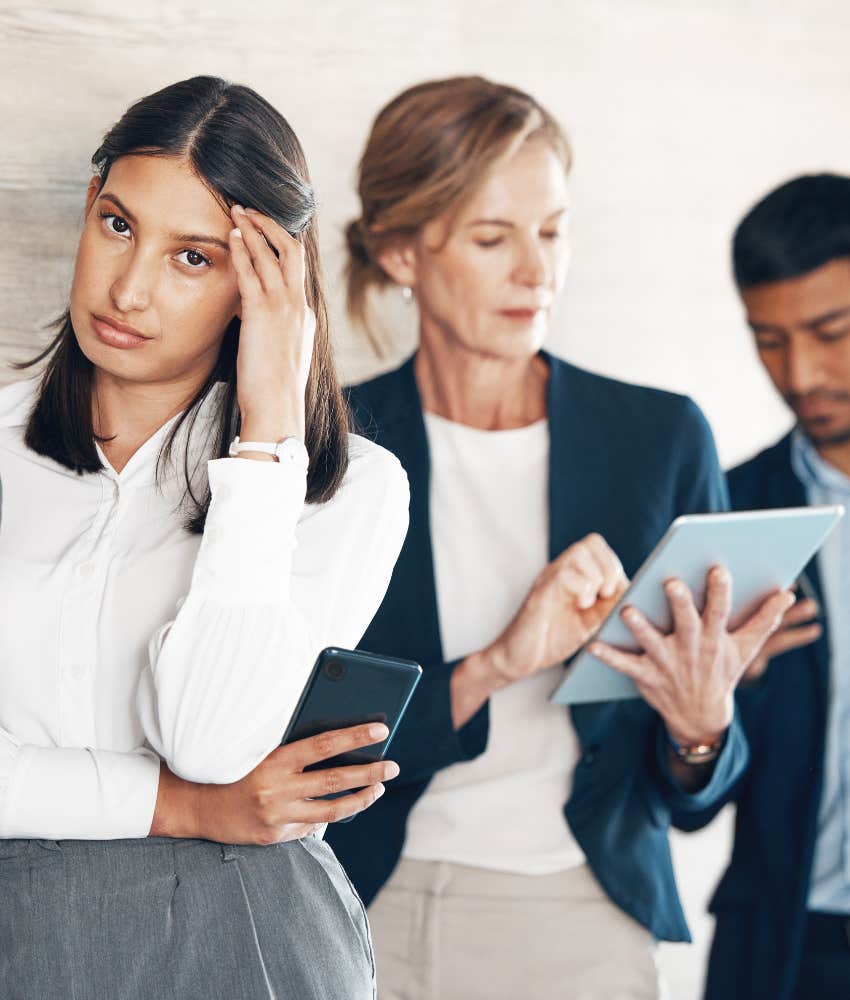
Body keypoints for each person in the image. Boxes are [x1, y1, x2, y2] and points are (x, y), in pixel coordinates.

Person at [324, 75, 793, 1000]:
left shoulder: (659, 439)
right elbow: (308, 745)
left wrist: (702, 728)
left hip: (579, 916)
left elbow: (690, 796)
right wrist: (499, 661)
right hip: (354, 903)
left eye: (552, 231)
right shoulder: (331, 448)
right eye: (494, 239)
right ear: (401, 252)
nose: (537, 272)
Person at [0, 76, 410, 1000]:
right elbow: (207, 784)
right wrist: (184, 809)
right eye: (117, 224)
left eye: (193, 257)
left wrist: (267, 438)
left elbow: (214, 741)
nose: (130, 289)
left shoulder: (349, 489)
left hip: (249, 937)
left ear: (260, 289)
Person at [697, 174, 850, 1000]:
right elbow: (680, 799)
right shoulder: (732, 515)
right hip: (790, 953)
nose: (804, 373)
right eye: (770, 339)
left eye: (833, 331)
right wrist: (715, 700)